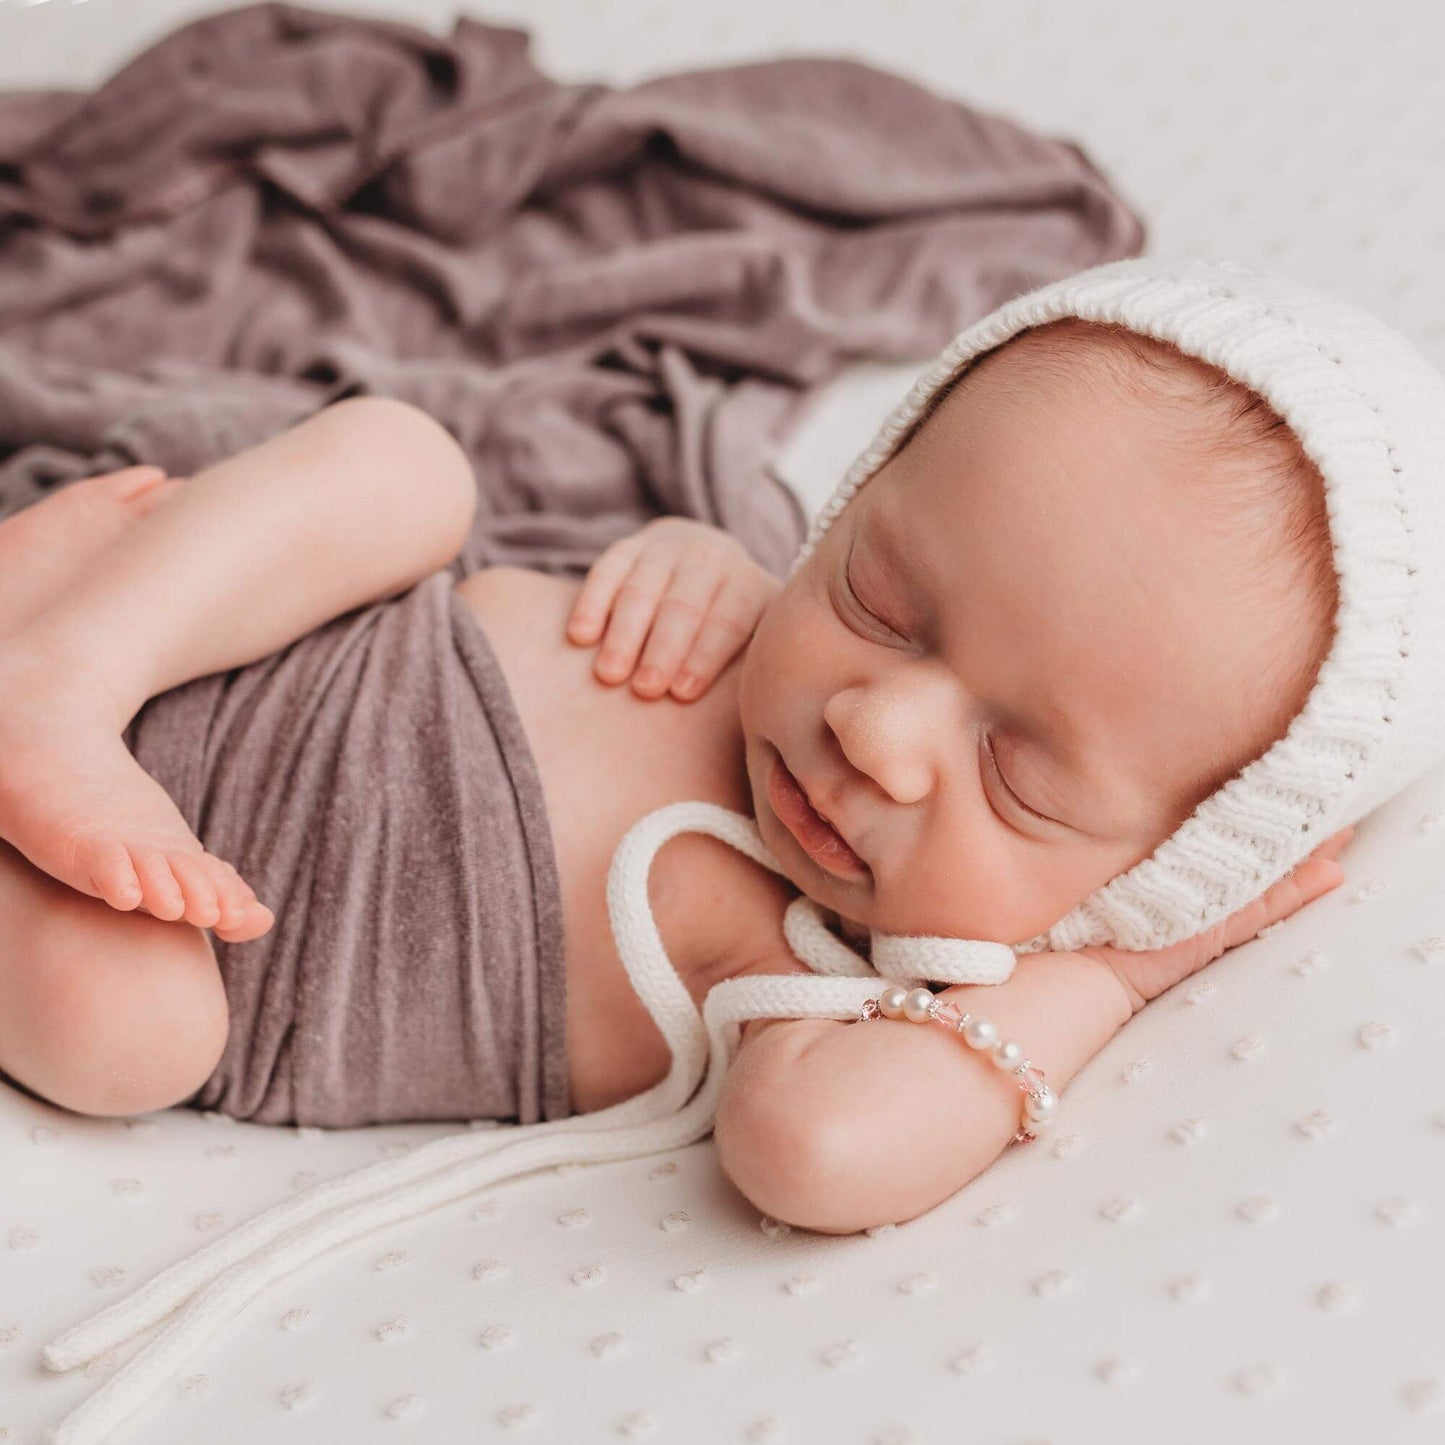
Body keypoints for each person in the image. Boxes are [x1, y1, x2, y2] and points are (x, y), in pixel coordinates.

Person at [0, 270, 1363, 1226]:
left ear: (1158, 867)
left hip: (145, 919)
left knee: (128, 1039)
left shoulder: (815, 975)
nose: (871, 728)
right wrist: (694, 557)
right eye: (878, 602)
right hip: (215, 646)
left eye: (1016, 777)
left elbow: (817, 1154)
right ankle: (58, 666)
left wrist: (1115, 972)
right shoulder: (756, 612)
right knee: (407, 463)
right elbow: (579, 576)